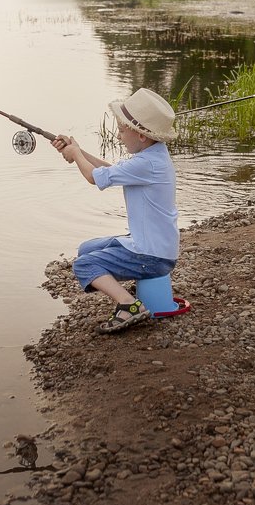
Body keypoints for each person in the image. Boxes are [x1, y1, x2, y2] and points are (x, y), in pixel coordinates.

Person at [52, 88, 179, 334]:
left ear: (141, 135)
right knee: (87, 248)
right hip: (155, 246)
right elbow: (107, 171)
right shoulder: (153, 154)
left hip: (152, 257)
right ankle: (131, 294)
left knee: (84, 265)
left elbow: (92, 177)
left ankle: (129, 305)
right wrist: (77, 149)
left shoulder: (146, 163)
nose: (119, 137)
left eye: (122, 131)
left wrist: (76, 155)